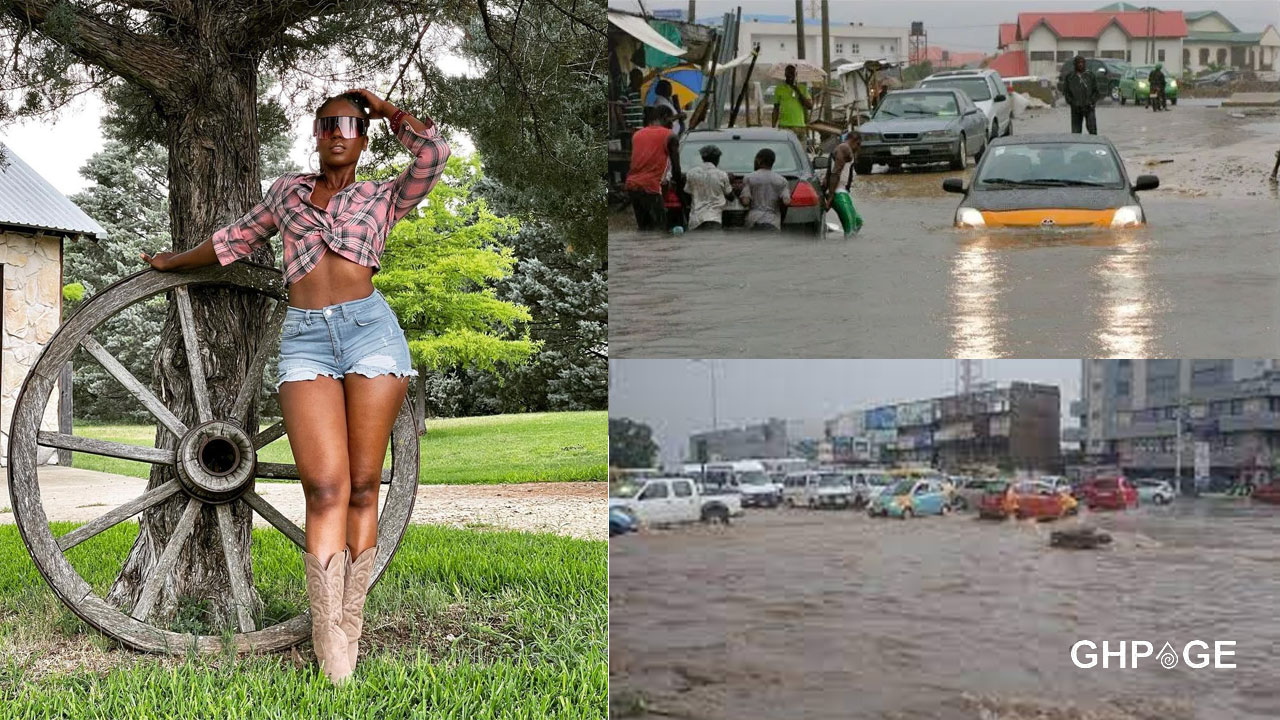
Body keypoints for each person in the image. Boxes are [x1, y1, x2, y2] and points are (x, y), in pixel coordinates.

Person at [140, 88, 449, 684]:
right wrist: (176, 262)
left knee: (363, 484)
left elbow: (432, 154)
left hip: (371, 336)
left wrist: (386, 112)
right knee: (324, 486)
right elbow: (234, 239)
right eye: (328, 123)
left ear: (361, 138)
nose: (339, 132)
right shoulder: (287, 193)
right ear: (315, 134)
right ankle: (324, 629)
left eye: (350, 125)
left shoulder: (382, 196)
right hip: (306, 339)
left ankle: (346, 633)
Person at [624, 105, 681, 231]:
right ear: (665, 118)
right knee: (660, 230)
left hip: (632, 186)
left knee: (644, 228)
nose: (672, 125)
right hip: (651, 187)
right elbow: (676, 169)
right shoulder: (670, 136)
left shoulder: (637, 135)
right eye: (671, 121)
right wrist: (680, 192)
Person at [683, 144, 734, 231]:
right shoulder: (722, 175)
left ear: (702, 158)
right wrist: (730, 183)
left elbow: (687, 194)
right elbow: (731, 197)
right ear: (717, 159)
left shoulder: (691, 173)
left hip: (695, 220)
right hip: (713, 219)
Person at [739, 148, 791, 231]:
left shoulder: (749, 178)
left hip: (753, 221)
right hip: (773, 222)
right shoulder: (782, 180)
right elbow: (786, 201)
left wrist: (738, 192)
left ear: (759, 160)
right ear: (773, 162)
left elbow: (745, 202)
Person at [825, 131, 865, 237]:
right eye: (858, 144)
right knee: (851, 229)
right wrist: (830, 197)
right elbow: (835, 172)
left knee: (858, 222)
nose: (858, 148)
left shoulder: (844, 149)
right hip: (838, 193)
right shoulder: (844, 148)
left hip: (841, 192)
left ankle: (851, 250)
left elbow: (828, 173)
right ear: (854, 141)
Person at [773, 64, 814, 148]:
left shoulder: (802, 88)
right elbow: (776, 109)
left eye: (792, 73)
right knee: (784, 152)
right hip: (784, 126)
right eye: (788, 73)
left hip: (800, 127)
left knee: (800, 153)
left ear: (796, 75)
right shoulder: (779, 89)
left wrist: (798, 91)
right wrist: (773, 127)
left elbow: (810, 106)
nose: (790, 76)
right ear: (785, 74)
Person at [1063, 56, 1101, 135]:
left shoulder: (1090, 75)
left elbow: (1096, 92)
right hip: (1076, 108)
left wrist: (1091, 102)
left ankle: (1093, 146)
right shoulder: (1070, 77)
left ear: (1084, 64)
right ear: (1075, 64)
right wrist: (1072, 103)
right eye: (1078, 63)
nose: (1080, 65)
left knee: (1092, 130)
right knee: (1076, 132)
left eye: (1082, 63)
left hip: (1089, 108)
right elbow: (1066, 93)